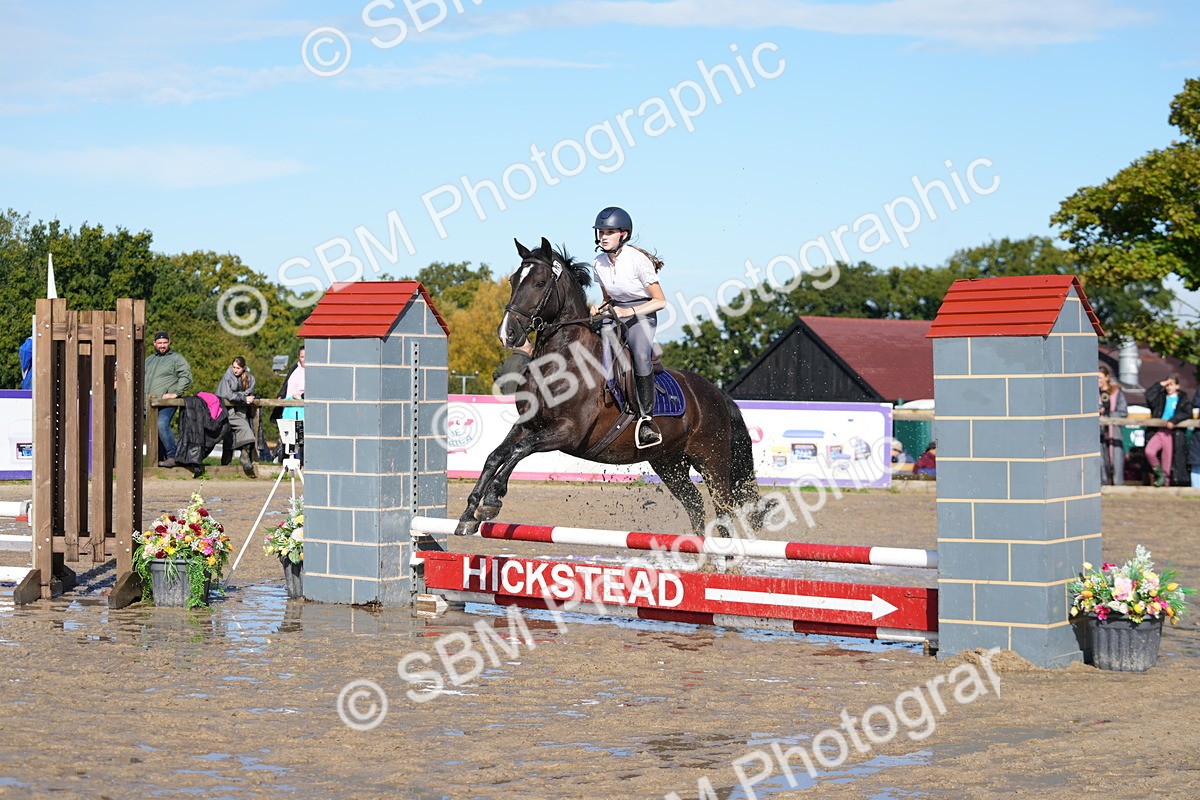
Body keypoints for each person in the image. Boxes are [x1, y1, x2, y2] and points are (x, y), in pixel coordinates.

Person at [591, 206, 668, 449]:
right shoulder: (598, 263)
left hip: (642, 314)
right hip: (616, 312)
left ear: (623, 234)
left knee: (640, 355)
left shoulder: (637, 260)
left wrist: (630, 311)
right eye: (601, 232)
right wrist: (599, 306)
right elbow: (608, 296)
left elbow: (661, 301)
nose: (603, 236)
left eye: (609, 232)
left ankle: (646, 419)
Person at [144, 331, 193, 468]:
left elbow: (186, 376)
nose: (162, 345)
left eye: (165, 343)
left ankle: (173, 456)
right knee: (153, 430)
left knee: (161, 424)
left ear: (169, 343)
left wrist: (176, 393)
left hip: (166, 403)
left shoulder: (177, 358)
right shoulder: (149, 360)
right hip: (149, 403)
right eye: (159, 343)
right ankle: (159, 459)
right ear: (154, 344)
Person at [1143, 374, 1192, 486]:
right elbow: (1148, 395)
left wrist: (1174, 420)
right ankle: (1159, 474)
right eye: (1167, 385)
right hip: (1160, 430)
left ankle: (1166, 484)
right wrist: (1161, 384)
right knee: (1149, 451)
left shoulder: (1182, 399)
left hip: (1172, 433)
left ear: (1177, 386)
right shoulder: (1160, 397)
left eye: (1172, 384)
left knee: (1167, 460)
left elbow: (1187, 412)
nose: (1169, 387)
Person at [216, 356, 258, 476]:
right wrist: (243, 398)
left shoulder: (250, 378)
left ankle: (243, 457)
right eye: (234, 367)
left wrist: (240, 397)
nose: (235, 370)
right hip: (225, 410)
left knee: (242, 431)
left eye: (238, 368)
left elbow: (248, 392)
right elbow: (227, 394)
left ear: (243, 368)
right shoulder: (228, 375)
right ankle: (226, 465)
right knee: (231, 435)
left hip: (240, 411)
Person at [272, 347, 305, 464]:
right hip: (289, 407)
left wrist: (302, 397)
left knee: (300, 436)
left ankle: (301, 462)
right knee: (287, 436)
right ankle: (285, 461)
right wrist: (280, 396)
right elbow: (286, 384)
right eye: (302, 356)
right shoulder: (294, 368)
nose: (304, 359)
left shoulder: (313, 371)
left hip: (302, 409)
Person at [1098, 365, 1127, 485]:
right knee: (1100, 459)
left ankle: (1118, 484)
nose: (1098, 381)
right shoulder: (1093, 392)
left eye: (1100, 378)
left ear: (1106, 377)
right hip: (1099, 432)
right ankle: (1102, 483)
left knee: (1116, 459)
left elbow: (1123, 411)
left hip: (1113, 431)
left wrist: (1109, 414)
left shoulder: (1116, 392)